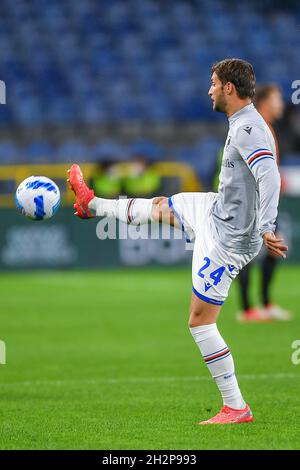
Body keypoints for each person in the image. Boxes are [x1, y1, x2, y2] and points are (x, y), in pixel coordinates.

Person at [67, 59, 288, 425]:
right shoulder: (242, 123)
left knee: (200, 322)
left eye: (214, 83)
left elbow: (268, 177)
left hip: (229, 240)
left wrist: (266, 226)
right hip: (217, 211)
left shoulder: (250, 128)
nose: (209, 90)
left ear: (229, 88)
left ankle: (236, 407)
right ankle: (92, 204)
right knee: (161, 206)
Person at [237, 84, 291, 321]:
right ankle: (248, 309)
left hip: (263, 203)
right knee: (249, 253)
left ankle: (264, 304)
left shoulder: (265, 128)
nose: (281, 104)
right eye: (277, 99)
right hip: (253, 204)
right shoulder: (256, 128)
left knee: (272, 250)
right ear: (265, 102)